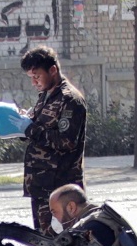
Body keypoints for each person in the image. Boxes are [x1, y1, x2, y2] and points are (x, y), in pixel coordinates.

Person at [18, 46, 86, 234]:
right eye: (30, 77)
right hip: (41, 186)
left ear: (53, 70)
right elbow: (38, 132)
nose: (34, 82)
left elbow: (67, 141)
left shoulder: (69, 100)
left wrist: (31, 129)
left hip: (60, 189)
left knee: (62, 244)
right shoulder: (46, 97)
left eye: (37, 76)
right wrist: (22, 125)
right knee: (44, 245)